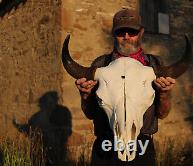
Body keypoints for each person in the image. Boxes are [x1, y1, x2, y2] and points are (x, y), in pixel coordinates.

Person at [75, 8, 176, 166]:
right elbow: (90, 113)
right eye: (121, 32)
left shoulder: (155, 65)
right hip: (106, 145)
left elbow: (162, 114)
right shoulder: (100, 65)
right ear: (113, 34)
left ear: (141, 32)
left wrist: (164, 94)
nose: (126, 37)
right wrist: (85, 96)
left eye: (132, 31)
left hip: (142, 145)